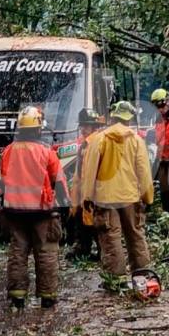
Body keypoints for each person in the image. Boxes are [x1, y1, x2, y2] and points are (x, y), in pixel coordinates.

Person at [0, 106, 69, 310]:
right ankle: (47, 296)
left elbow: (3, 180)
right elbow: (59, 181)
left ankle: (17, 296)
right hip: (42, 212)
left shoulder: (8, 151)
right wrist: (65, 204)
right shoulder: (46, 152)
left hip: (14, 211)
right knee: (46, 252)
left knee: (18, 253)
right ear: (39, 128)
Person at [81, 100, 154, 283]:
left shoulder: (99, 139)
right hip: (130, 197)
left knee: (111, 237)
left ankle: (117, 280)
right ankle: (143, 276)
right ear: (129, 119)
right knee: (135, 235)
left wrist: (87, 197)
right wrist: (148, 197)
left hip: (105, 199)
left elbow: (90, 171)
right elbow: (144, 172)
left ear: (112, 117)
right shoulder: (136, 140)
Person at [65, 108, 104, 263]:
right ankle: (83, 247)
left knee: (96, 224)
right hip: (83, 190)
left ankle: (102, 252)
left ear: (93, 127)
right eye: (81, 126)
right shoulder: (85, 144)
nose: (83, 129)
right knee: (81, 220)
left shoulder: (97, 143)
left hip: (94, 192)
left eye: (86, 126)